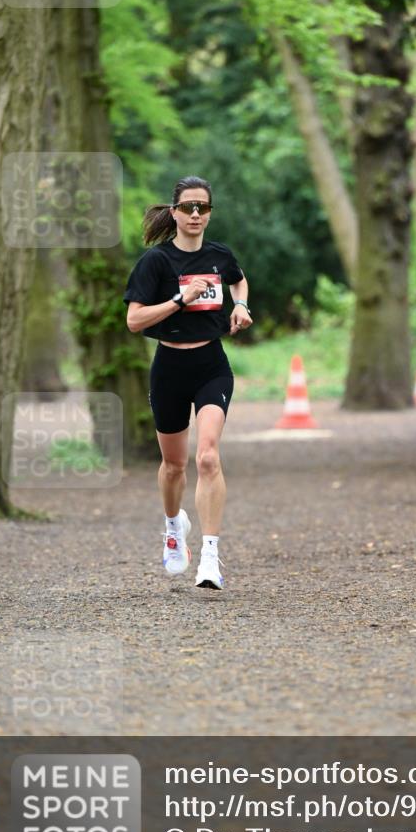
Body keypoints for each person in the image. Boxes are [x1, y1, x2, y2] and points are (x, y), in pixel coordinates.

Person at [124, 176, 252, 588]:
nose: (196, 214)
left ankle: (211, 558)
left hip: (211, 363)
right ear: (174, 212)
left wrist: (241, 305)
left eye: (203, 207)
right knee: (174, 466)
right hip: (169, 370)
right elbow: (134, 320)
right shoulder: (156, 263)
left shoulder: (219, 255)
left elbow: (238, 278)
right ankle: (173, 527)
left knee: (208, 457)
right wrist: (181, 299)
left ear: (210, 213)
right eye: (188, 207)